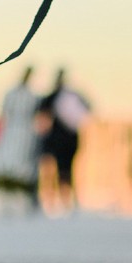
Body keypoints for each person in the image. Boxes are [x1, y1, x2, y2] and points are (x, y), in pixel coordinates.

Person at [0, 66, 41, 207]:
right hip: (11, 131)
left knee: (21, 166)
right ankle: (3, 194)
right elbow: (4, 112)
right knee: (5, 163)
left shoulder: (33, 96)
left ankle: (20, 195)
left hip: (24, 133)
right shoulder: (11, 93)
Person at [37, 68, 90, 215]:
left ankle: (61, 201)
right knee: (63, 171)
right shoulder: (69, 96)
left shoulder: (57, 97)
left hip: (61, 140)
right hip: (65, 139)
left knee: (61, 171)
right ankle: (60, 201)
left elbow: (42, 116)